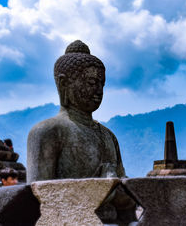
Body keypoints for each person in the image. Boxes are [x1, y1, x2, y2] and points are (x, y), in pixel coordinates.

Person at [27, 40, 125, 182]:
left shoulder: (109, 137)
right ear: (64, 83)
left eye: (101, 84)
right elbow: (38, 194)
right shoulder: (47, 131)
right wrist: (101, 189)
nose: (98, 91)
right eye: (91, 83)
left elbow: (125, 193)